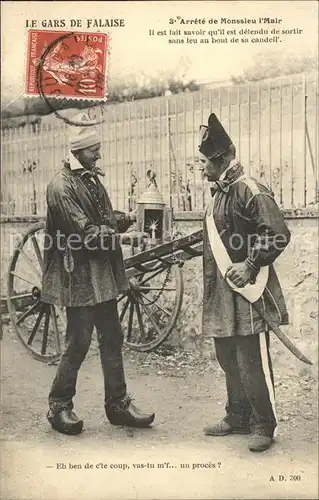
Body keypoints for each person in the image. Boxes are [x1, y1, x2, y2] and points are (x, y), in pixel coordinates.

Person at [41, 113, 155, 435]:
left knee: (112, 335)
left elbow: (102, 217)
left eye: (99, 149)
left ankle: (117, 405)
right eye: (95, 150)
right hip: (76, 274)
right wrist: (122, 238)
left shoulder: (90, 178)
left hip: (99, 275)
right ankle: (59, 407)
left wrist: (129, 219)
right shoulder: (60, 187)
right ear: (78, 152)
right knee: (78, 341)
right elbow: (86, 233)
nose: (99, 155)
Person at [199, 113, 291, 452]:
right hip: (223, 293)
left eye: (205, 161)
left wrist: (250, 264)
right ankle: (236, 415)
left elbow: (278, 234)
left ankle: (264, 424)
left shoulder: (249, 190)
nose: (202, 167)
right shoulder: (219, 193)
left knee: (251, 359)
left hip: (248, 289)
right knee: (227, 355)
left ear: (221, 159)